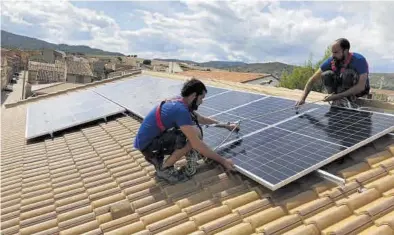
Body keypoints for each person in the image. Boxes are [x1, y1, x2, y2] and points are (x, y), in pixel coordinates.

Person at [133, 78, 239, 184]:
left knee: (193, 131)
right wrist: (223, 161)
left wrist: (226, 125)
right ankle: (164, 169)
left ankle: (157, 158)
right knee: (192, 137)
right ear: (193, 96)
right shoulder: (181, 111)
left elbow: (201, 119)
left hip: (148, 142)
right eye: (201, 98)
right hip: (148, 146)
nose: (202, 102)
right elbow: (197, 144)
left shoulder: (179, 101)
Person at [296, 38, 370, 108]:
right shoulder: (332, 61)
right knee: (326, 74)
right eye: (332, 52)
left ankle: (348, 100)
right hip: (340, 92)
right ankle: (337, 101)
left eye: (336, 52)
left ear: (345, 51)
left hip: (359, 92)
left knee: (348, 73)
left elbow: (361, 86)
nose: (333, 55)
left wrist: (337, 96)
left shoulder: (359, 60)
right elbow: (312, 80)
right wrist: (302, 98)